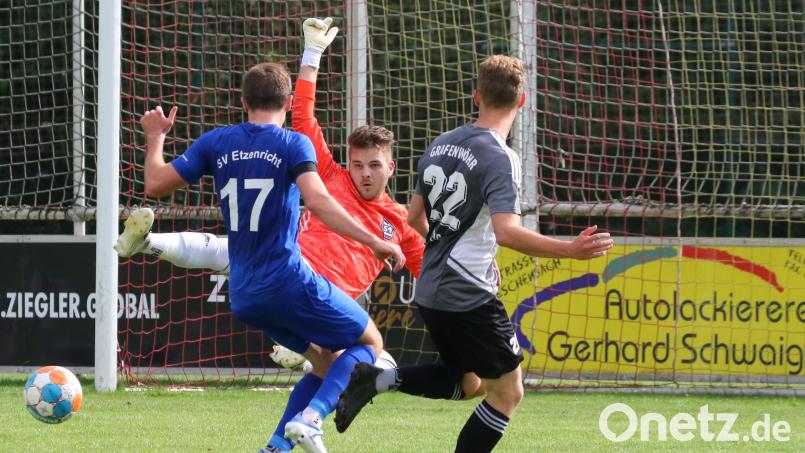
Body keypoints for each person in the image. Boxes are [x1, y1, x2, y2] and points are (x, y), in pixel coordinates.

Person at [121, 18, 421, 453]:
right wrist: (376, 242)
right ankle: (313, 420)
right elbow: (316, 195)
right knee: (371, 344)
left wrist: (154, 138)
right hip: (295, 280)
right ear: (283, 105)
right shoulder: (299, 150)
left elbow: (154, 184)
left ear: (243, 101)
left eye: (375, 165)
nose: (365, 172)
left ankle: (277, 447)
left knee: (324, 363)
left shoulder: (217, 141)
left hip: (245, 292)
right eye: (359, 164)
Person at [335, 55, 615, 452]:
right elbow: (507, 233)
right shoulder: (502, 157)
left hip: (430, 288)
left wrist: (450, 248)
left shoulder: (441, 143)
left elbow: (413, 217)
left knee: (467, 384)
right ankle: (378, 380)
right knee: (507, 394)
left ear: (476, 96)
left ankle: (378, 379)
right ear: (522, 102)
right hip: (467, 293)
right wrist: (570, 249)